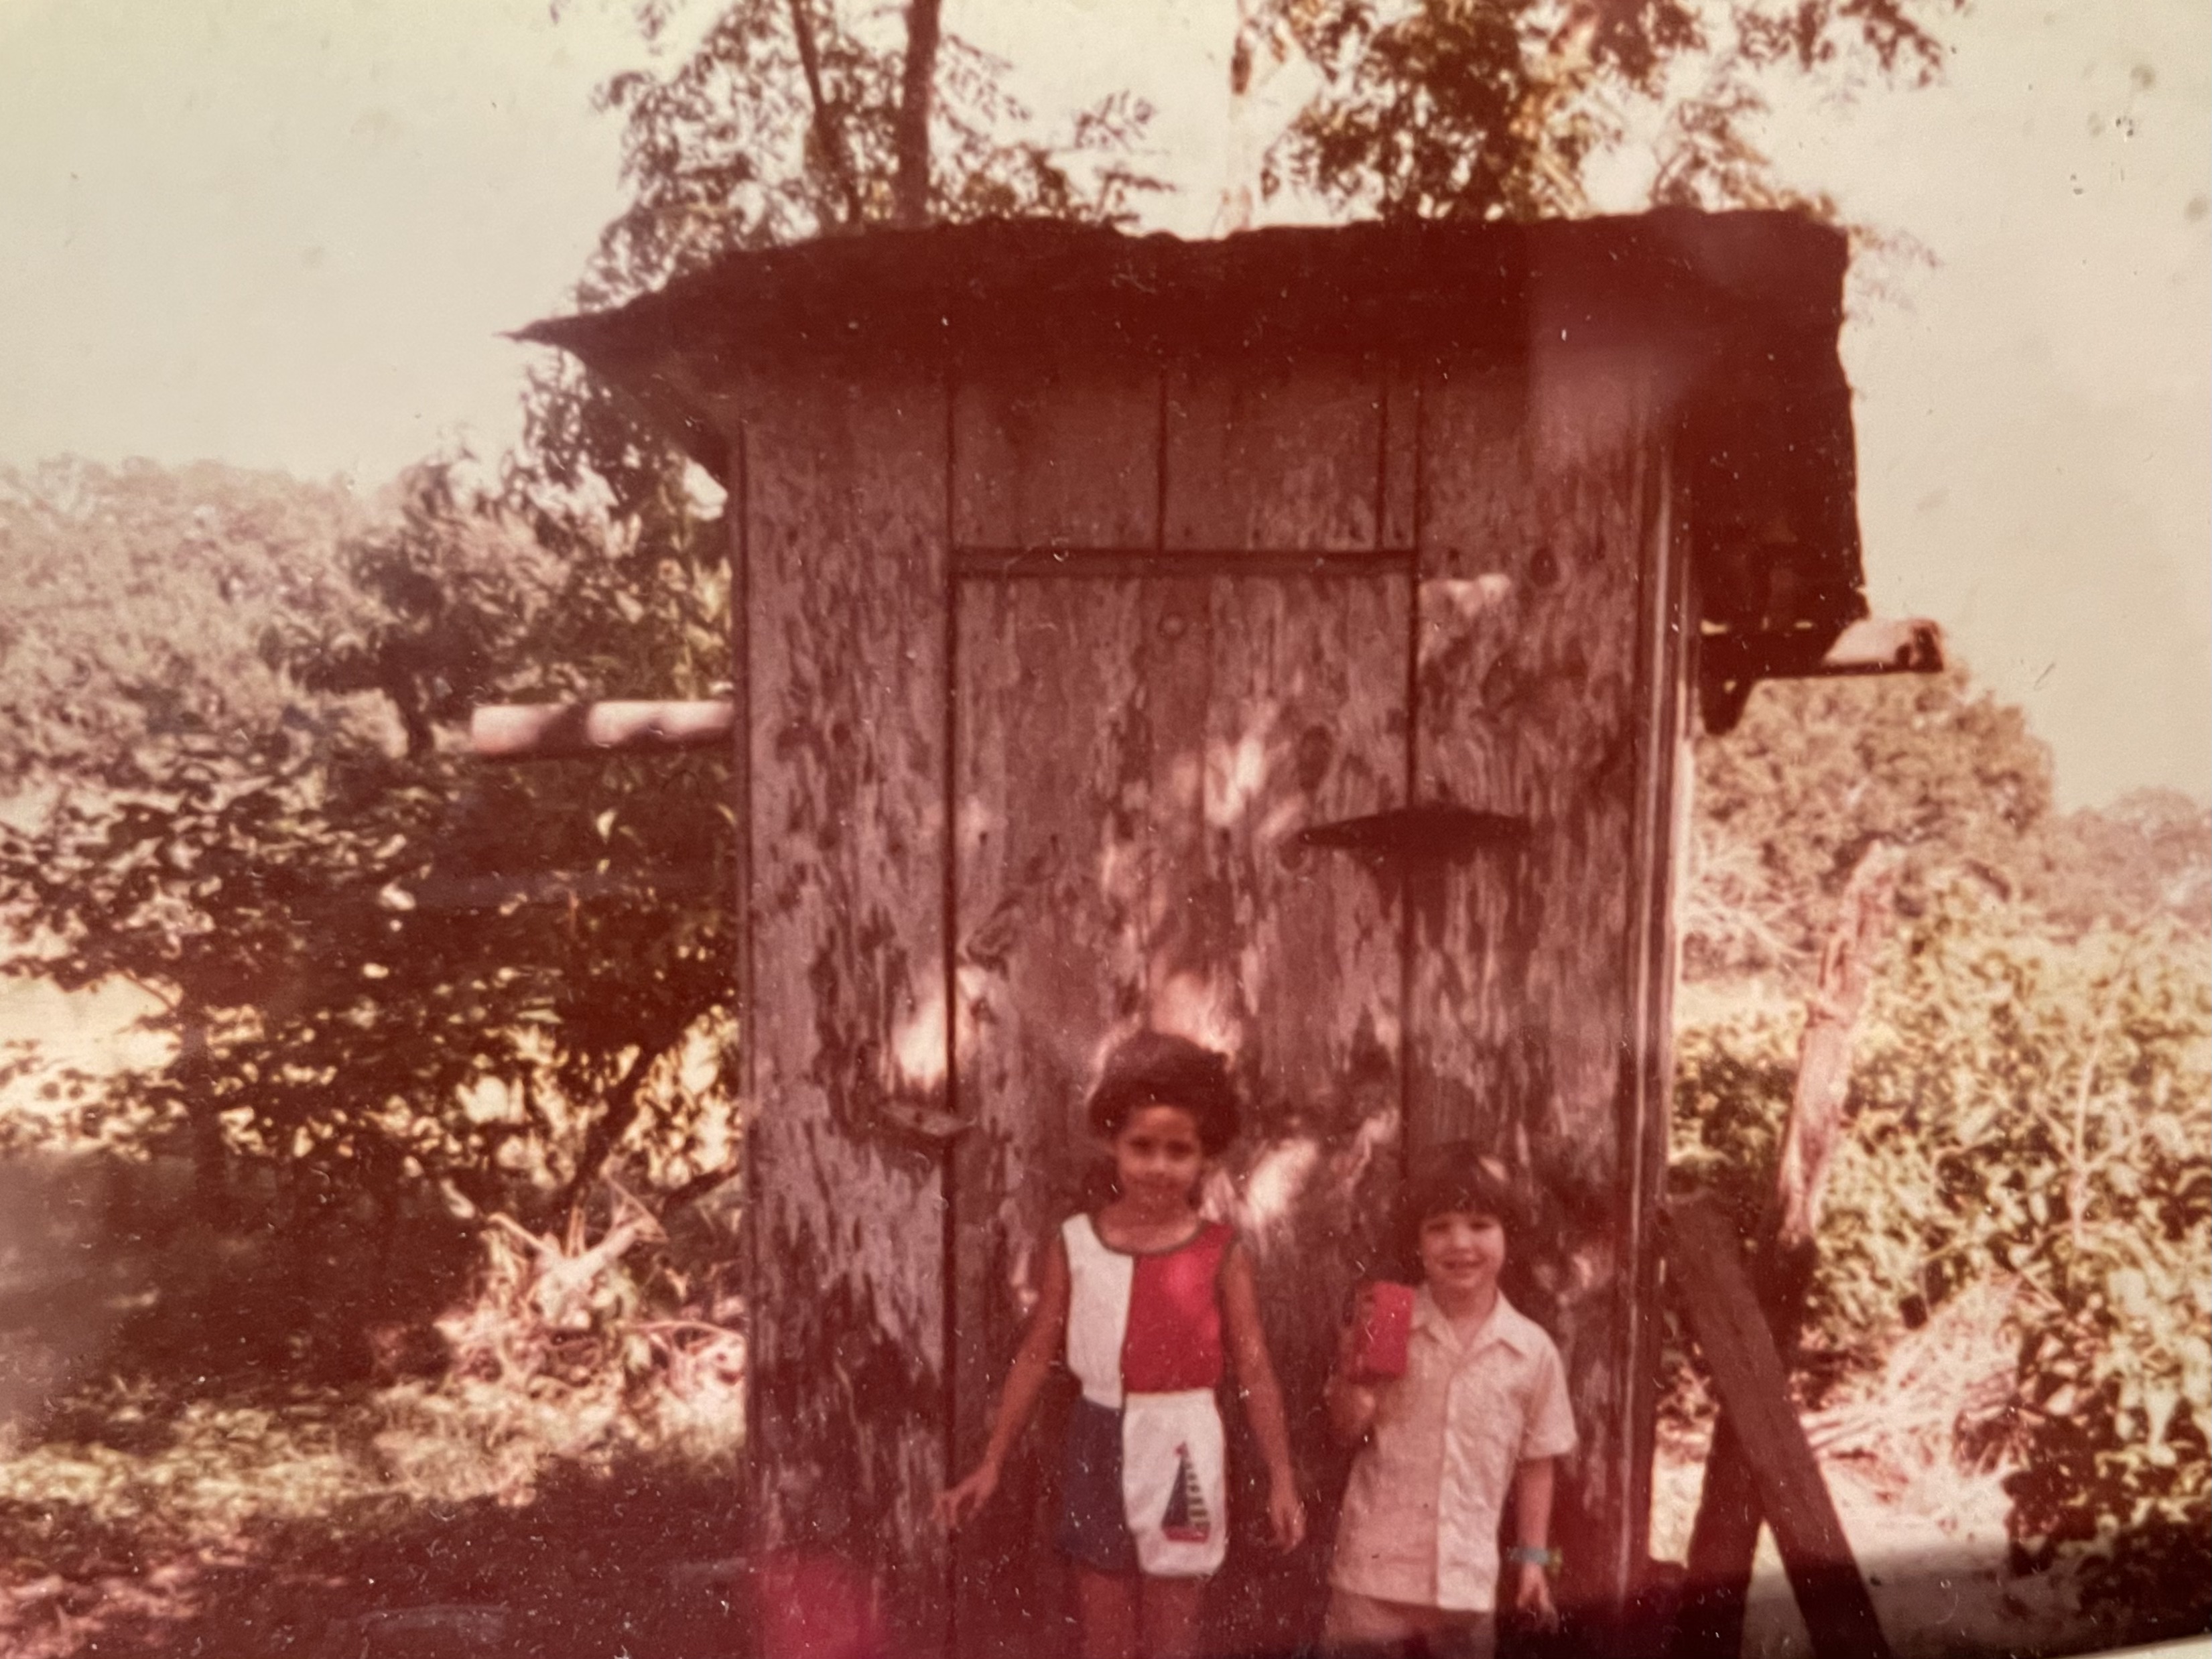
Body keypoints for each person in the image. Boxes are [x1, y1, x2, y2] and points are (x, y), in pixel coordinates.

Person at [935, 1031, 1307, 1659]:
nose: (1158, 1167)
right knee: (1104, 1632)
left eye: (1178, 1151)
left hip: (1184, 1442)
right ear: (1112, 1144)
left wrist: (1281, 1477)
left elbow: (1253, 1369)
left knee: (1171, 1631)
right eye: (1141, 1147)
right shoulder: (1076, 1243)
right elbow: (1036, 1353)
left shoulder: (1219, 1253)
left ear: (1206, 1158)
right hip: (1096, 1438)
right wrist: (993, 1459)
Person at [1321, 1148, 1577, 1658]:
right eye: (1438, 1227)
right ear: (1416, 1243)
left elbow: (1536, 1464)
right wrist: (1356, 1372)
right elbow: (1344, 1433)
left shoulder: (1530, 1351)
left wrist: (1532, 1563)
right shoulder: (1389, 1325)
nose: (1460, 1243)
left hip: (1467, 1580)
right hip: (1374, 1573)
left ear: (1509, 1238)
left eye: (1480, 1224)